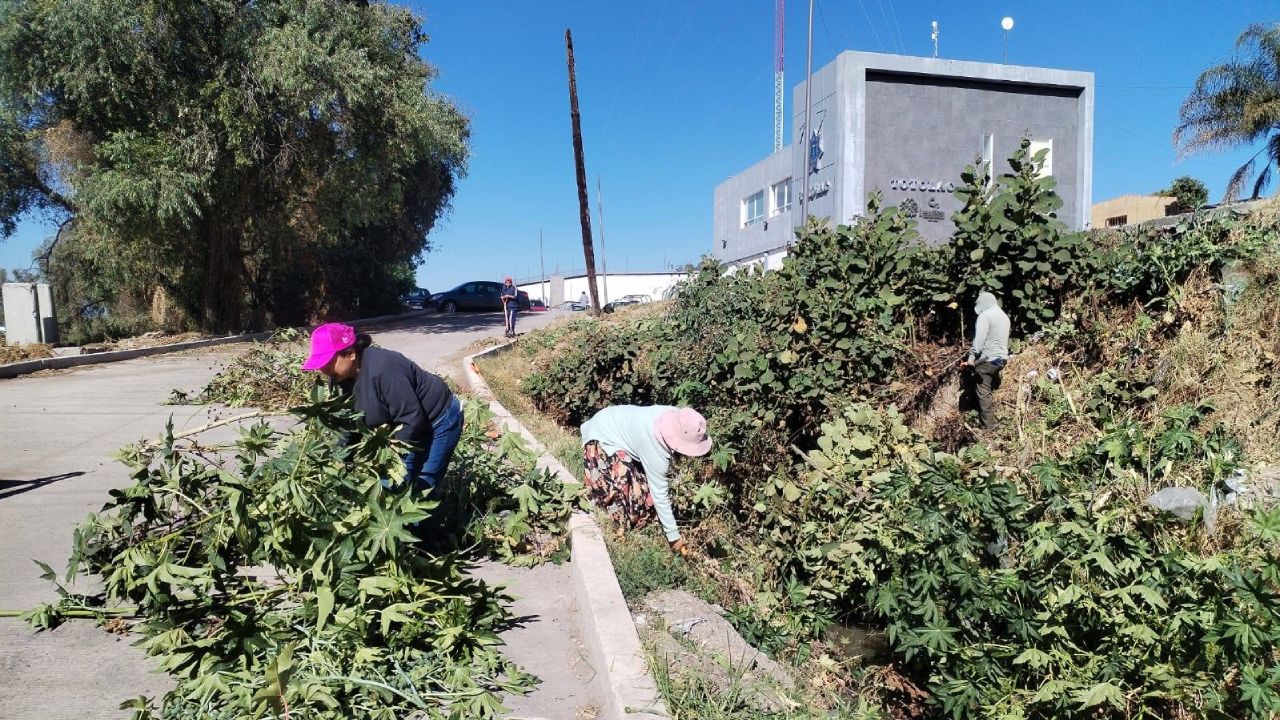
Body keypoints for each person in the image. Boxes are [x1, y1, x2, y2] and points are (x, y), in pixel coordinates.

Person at [301, 323, 463, 492]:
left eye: (328, 361)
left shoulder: (384, 369)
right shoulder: (339, 378)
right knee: (395, 484)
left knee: (422, 484)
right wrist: (340, 460)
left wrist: (396, 462)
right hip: (406, 423)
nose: (322, 369)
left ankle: (422, 515)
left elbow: (411, 419)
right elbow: (349, 422)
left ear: (350, 354)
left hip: (439, 420)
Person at [580, 405, 712, 555]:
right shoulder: (653, 445)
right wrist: (673, 536)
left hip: (617, 423)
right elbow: (660, 494)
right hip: (602, 433)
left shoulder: (679, 418)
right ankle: (616, 523)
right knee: (625, 488)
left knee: (642, 492)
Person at [963, 291, 1011, 430]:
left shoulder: (985, 316)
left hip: (989, 360)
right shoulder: (1004, 316)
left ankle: (989, 427)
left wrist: (971, 358)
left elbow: (978, 342)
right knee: (988, 380)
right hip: (1001, 360)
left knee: (983, 391)